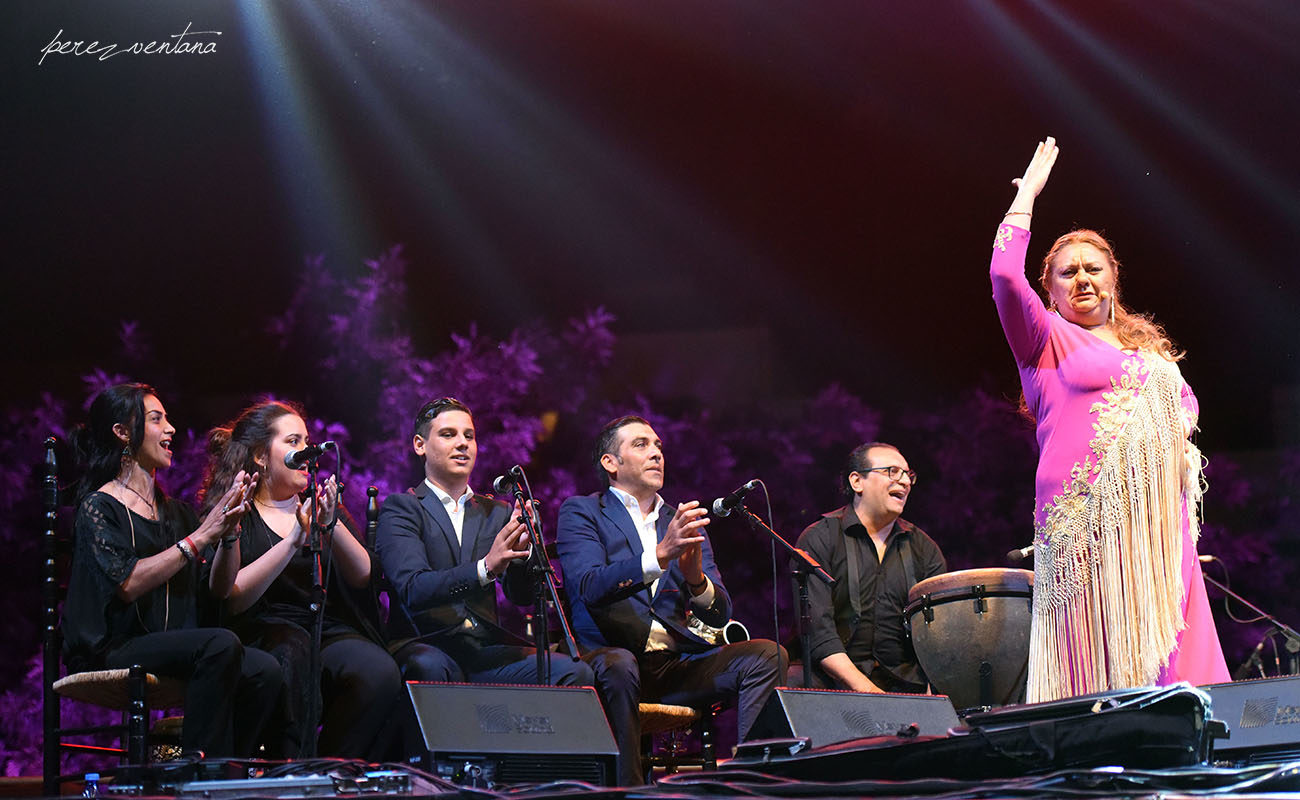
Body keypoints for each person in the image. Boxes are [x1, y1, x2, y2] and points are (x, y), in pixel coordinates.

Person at [990, 136, 1230, 702]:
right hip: (1083, 521)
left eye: (1093, 269)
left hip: (1154, 528)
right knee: (1092, 660)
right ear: (1048, 289)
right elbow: (1003, 276)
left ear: (1113, 280)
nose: (1082, 279)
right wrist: (1025, 198)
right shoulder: (1044, 340)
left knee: (1170, 650)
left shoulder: (1151, 359)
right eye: (1067, 272)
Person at [374, 398, 641, 785]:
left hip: (481, 648)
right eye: (448, 435)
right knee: (431, 667)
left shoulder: (495, 511)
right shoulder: (403, 508)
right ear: (420, 445)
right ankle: (438, 786)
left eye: (469, 435)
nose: (462, 443)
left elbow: (519, 595)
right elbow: (414, 588)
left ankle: (556, 784)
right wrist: (487, 566)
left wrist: (527, 552)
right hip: (423, 642)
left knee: (573, 671)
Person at [63, 383, 282, 758]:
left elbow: (217, 589)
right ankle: (198, 770)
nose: (171, 429)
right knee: (219, 644)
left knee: (266, 669)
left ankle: (230, 765)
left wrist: (229, 535)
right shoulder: (99, 508)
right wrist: (201, 536)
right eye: (156, 419)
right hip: (115, 646)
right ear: (122, 432)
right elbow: (128, 582)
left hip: (172, 643)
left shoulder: (175, 512)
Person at [556, 415, 787, 746]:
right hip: (612, 662)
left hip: (675, 665)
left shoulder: (680, 521)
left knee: (768, 655)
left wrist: (697, 582)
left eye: (658, 446)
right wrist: (660, 556)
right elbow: (589, 586)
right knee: (619, 665)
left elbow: (720, 613)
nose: (656, 453)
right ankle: (628, 791)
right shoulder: (583, 511)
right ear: (610, 463)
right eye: (641, 444)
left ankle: (750, 775)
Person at [201, 399, 402, 759]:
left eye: (307, 441)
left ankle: (330, 764)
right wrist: (294, 537)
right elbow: (233, 596)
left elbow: (363, 575)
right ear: (262, 456)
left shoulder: (318, 503)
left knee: (379, 671)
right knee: (291, 650)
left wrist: (331, 523)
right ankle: (288, 765)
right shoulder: (239, 509)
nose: (306, 451)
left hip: (323, 627)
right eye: (293, 442)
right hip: (265, 630)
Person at [791, 442, 946, 693]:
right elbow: (819, 632)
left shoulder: (924, 549)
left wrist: (932, 692)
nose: (905, 482)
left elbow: (938, 633)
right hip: (833, 679)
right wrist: (871, 693)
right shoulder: (821, 538)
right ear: (857, 482)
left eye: (908, 475)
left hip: (905, 683)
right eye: (892, 471)